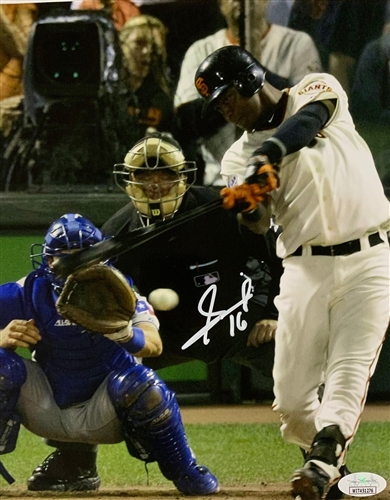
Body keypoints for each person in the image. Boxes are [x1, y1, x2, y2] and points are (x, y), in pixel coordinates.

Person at [194, 45, 390, 500]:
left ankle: (322, 460)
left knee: (349, 369)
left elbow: (305, 123)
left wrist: (270, 156)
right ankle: (327, 464)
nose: (225, 109)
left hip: (371, 259)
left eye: (228, 96)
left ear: (249, 79)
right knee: (291, 399)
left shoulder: (315, 88)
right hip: (304, 268)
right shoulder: (235, 159)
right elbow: (259, 225)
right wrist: (248, 204)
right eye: (217, 103)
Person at [0, 213, 219, 495]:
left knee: (142, 383)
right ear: (48, 260)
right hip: (47, 406)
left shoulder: (119, 291)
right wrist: (2, 336)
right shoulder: (25, 292)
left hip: (108, 412)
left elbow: (155, 344)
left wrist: (124, 334)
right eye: (63, 257)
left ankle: (186, 470)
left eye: (83, 257)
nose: (72, 266)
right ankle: (72, 462)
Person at [102, 132, 283, 373]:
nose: (154, 185)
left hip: (239, 318)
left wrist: (274, 313)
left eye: (165, 174)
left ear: (182, 177)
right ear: (129, 180)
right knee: (107, 369)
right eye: (144, 175)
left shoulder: (221, 209)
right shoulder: (117, 235)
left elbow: (276, 253)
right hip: (168, 335)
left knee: (295, 363)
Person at [173, 0, 322, 187]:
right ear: (220, 5)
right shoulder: (201, 50)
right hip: (221, 178)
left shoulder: (296, 42)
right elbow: (185, 122)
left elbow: (306, 104)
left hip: (292, 171)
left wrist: (253, 74)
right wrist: (232, 89)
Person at [119, 15, 174, 138]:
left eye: (154, 47)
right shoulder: (108, 93)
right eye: (139, 43)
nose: (147, 51)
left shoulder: (162, 99)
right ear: (121, 45)